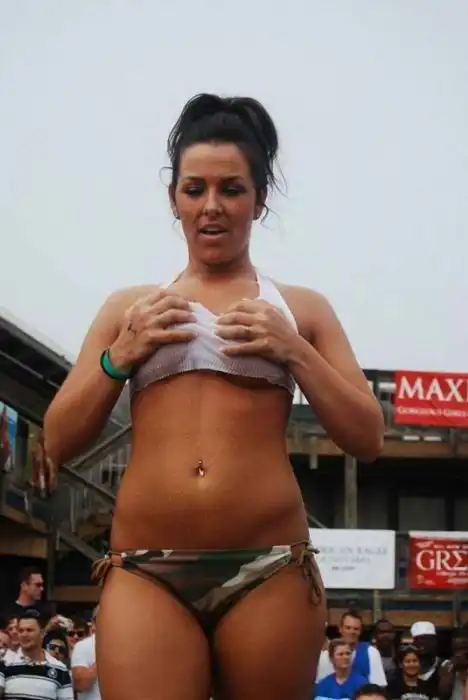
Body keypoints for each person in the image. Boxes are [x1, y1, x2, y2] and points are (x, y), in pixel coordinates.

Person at [42, 92, 384, 700]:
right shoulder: (130, 308)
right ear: (173, 198)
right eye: (194, 189)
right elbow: (58, 439)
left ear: (259, 198)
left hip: (269, 566)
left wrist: (294, 351)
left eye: (232, 189)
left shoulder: (300, 310)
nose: (212, 207)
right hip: (146, 568)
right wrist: (120, 355)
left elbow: (368, 436)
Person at [0, 612, 73, 700]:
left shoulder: (60, 669)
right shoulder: (5, 664)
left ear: (42, 633)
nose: (24, 634)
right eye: (21, 631)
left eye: (29, 630)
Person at [317, 611, 387, 686]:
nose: (352, 632)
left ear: (360, 631)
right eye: (348, 628)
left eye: (356, 629)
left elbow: (379, 686)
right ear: (340, 629)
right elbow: (321, 685)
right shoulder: (327, 653)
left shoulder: (371, 652)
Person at [71, 606, 100, 700]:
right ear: (94, 622)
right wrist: (104, 656)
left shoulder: (130, 646)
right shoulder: (83, 646)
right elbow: (80, 685)